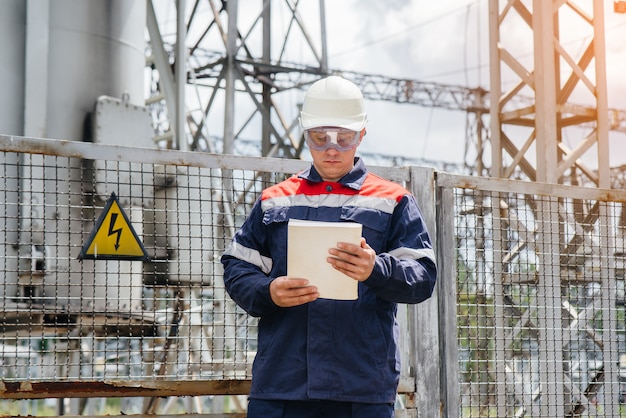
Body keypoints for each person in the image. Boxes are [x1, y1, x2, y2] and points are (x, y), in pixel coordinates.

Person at [220, 75, 437, 418]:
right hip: (282, 385)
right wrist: (268, 291)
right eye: (320, 138)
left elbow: (422, 276)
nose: (331, 149)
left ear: (362, 134)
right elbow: (237, 268)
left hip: (360, 389)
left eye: (343, 138)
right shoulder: (275, 200)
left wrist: (375, 269)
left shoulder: (393, 200)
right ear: (306, 135)